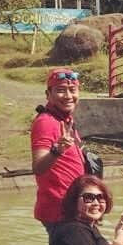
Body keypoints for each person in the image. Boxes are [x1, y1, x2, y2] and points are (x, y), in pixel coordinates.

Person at [31, 68, 86, 233]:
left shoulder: (64, 120)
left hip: (74, 206)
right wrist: (57, 150)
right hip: (59, 212)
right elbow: (38, 167)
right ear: (48, 94)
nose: (68, 96)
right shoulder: (46, 122)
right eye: (61, 90)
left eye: (72, 90)